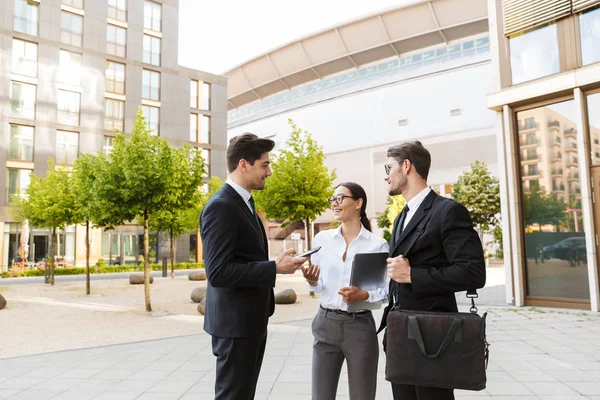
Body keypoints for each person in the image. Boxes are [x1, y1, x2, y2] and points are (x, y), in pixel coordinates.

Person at [200, 133, 308, 400]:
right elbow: (218, 272)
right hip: (235, 325)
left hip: (248, 321)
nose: (269, 172)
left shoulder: (243, 203)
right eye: (264, 165)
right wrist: (273, 268)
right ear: (243, 165)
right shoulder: (221, 207)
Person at [377, 141, 486, 400]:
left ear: (406, 166)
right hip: (400, 335)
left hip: (433, 338)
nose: (386, 175)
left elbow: (473, 272)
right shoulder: (402, 215)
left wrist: (413, 275)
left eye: (388, 167)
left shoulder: (448, 211)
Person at [302, 182, 389, 400]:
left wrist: (364, 295)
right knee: (321, 396)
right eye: (332, 199)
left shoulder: (377, 244)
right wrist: (312, 281)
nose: (334, 203)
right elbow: (319, 285)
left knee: (363, 395)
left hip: (359, 327)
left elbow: (386, 291)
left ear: (358, 203)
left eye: (340, 198)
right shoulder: (323, 240)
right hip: (325, 323)